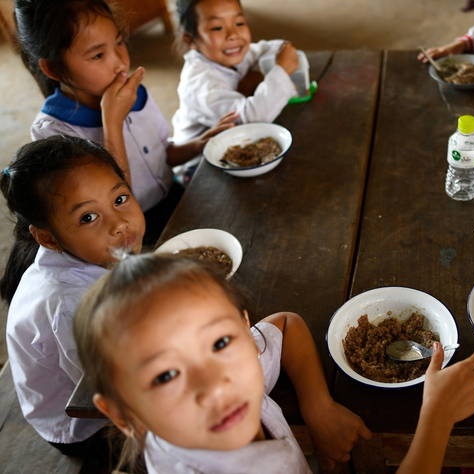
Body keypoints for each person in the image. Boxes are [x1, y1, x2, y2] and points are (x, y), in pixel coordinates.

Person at [74, 254, 474, 473]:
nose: (216, 383)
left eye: (219, 341)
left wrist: (318, 406)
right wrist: (436, 417)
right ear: (124, 415)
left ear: (244, 326)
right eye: (165, 375)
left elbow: (286, 324)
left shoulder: (237, 371)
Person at [14, 0, 236, 243]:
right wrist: (112, 122)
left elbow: (161, 155)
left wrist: (198, 144)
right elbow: (116, 204)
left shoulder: (135, 94)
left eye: (119, 42)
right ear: (54, 69)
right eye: (98, 55)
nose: (120, 61)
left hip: (172, 195)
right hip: (127, 230)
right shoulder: (55, 133)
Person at [0, 135, 145, 456]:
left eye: (120, 199)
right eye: (88, 217)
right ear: (48, 238)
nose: (120, 223)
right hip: (85, 426)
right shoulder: (72, 304)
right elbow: (110, 390)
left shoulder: (92, 256)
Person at [171, 0, 300, 145]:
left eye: (239, 23)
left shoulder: (232, 51)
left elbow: (268, 49)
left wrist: (283, 49)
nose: (233, 34)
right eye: (217, 28)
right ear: (190, 40)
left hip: (236, 143)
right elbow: (253, 118)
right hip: (200, 162)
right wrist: (281, 71)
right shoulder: (200, 85)